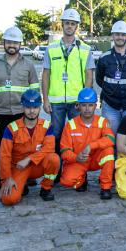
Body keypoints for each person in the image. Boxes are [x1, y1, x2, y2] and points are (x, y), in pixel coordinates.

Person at [0, 26, 40, 190]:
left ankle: (28, 175)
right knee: (3, 147)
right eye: (9, 42)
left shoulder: (28, 66)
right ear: (4, 43)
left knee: (25, 146)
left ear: (20, 44)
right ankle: (1, 176)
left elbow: (35, 90)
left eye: (15, 42)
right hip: (2, 114)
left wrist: (35, 112)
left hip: (22, 113)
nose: (12, 45)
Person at [41, 8, 94, 153]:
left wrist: (83, 99)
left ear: (77, 26)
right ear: (62, 24)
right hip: (56, 102)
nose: (70, 26)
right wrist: (45, 99)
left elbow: (89, 74)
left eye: (73, 23)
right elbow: (46, 74)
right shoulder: (51, 49)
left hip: (77, 102)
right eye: (67, 23)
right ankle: (57, 169)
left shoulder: (85, 49)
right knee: (56, 135)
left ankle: (78, 170)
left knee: (77, 135)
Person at [0, 89, 60, 205]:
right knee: (8, 199)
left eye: (35, 107)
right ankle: (22, 184)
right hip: (19, 168)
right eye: (28, 107)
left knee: (54, 159)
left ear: (40, 108)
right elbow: (4, 155)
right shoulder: (11, 128)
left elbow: (49, 149)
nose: (32, 111)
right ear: (22, 107)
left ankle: (46, 188)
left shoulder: (47, 126)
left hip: (38, 166)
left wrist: (29, 159)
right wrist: (7, 178)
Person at [58, 88, 115, 200]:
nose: (87, 109)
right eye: (84, 105)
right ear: (78, 106)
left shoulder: (102, 122)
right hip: (79, 160)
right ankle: (82, 180)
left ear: (95, 106)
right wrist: (76, 157)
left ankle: (105, 187)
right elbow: (64, 150)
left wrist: (91, 146)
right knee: (67, 182)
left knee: (108, 151)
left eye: (90, 105)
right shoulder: (71, 125)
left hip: (95, 159)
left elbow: (110, 139)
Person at [94, 20, 126, 134]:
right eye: (117, 34)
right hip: (110, 106)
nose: (120, 37)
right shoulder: (104, 58)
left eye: (123, 35)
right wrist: (110, 90)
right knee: (110, 138)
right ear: (113, 35)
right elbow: (99, 80)